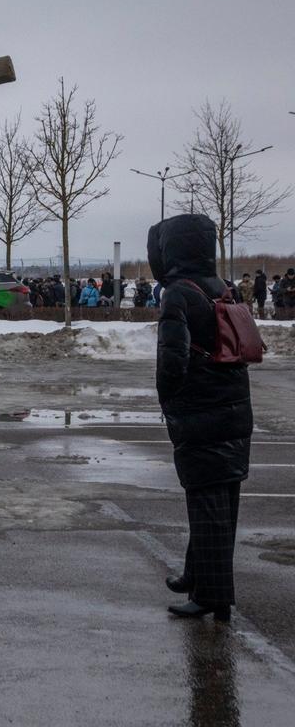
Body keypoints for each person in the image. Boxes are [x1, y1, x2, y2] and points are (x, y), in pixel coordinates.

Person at [148, 214, 251, 623]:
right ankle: (199, 575)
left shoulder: (178, 293)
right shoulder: (223, 287)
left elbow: (171, 361)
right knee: (223, 501)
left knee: (206, 505)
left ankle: (212, 596)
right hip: (235, 408)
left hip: (201, 411)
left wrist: (170, 403)